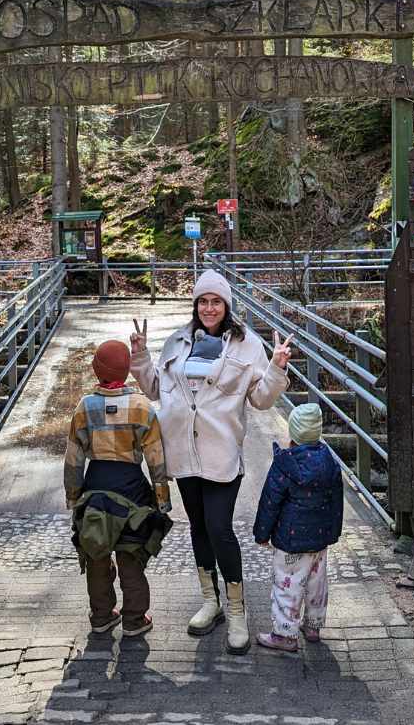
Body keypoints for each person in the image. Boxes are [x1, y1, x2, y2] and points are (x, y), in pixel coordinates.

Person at [130, 269, 291, 654]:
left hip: (221, 455)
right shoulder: (178, 342)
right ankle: (211, 601)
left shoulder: (246, 345)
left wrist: (277, 366)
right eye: (202, 301)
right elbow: (154, 387)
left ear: (227, 305)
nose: (208, 308)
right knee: (199, 527)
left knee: (220, 528)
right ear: (195, 305)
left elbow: (262, 400)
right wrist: (140, 356)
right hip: (183, 454)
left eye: (216, 301)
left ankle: (237, 611)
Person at [65, 339, 173, 638]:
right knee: (130, 557)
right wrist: (162, 500)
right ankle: (134, 620)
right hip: (132, 494)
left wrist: (74, 496)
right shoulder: (141, 406)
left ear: (96, 370)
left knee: (96, 555)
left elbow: (73, 459)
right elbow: (156, 459)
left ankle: (101, 616)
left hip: (95, 492)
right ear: (127, 372)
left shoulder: (84, 407)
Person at [252, 403, 343, 651]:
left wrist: (262, 533)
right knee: (316, 584)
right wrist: (334, 532)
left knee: (287, 586)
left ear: (293, 432)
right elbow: (336, 502)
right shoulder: (330, 462)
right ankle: (312, 626)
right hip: (319, 539)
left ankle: (284, 634)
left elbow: (270, 502)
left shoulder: (285, 464)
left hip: (289, 540)